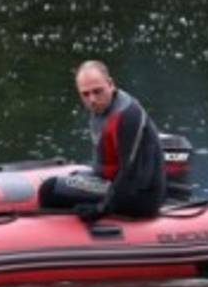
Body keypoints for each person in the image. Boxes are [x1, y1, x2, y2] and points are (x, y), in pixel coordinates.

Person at [38, 60, 165, 221]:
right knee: (70, 177)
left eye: (97, 91)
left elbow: (130, 174)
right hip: (114, 184)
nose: (92, 99)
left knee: (49, 189)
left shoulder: (127, 114)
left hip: (140, 197)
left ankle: (57, 240)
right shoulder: (102, 108)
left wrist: (101, 208)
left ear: (110, 84)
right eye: (85, 94)